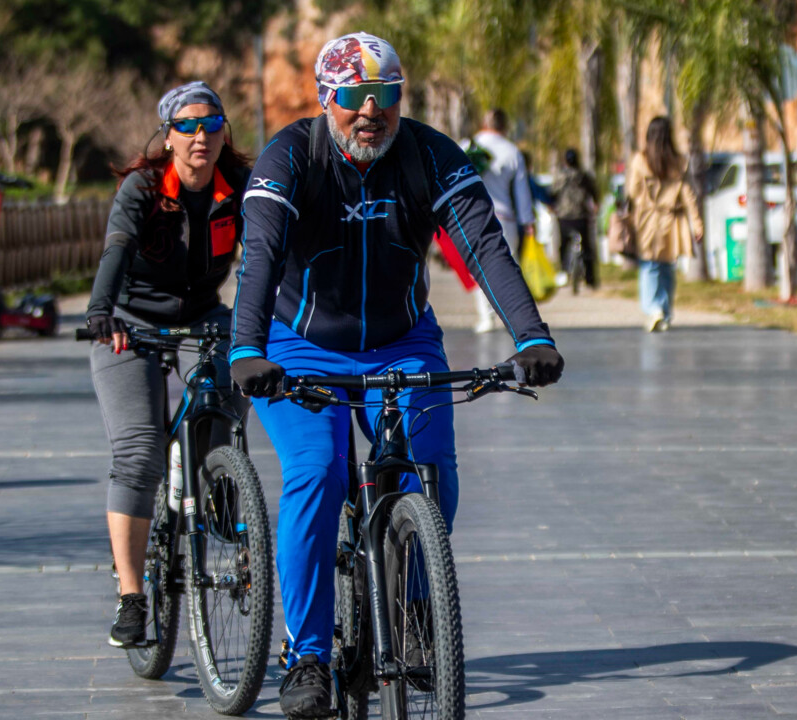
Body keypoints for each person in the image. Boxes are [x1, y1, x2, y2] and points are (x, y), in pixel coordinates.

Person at [226, 33, 564, 719]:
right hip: (299, 344)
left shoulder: (429, 154)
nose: (370, 111)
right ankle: (307, 655)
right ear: (326, 98)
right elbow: (260, 255)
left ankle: (412, 602)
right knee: (317, 470)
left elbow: (483, 242)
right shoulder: (289, 157)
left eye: (385, 96)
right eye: (354, 97)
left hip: (403, 340)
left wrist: (531, 335)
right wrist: (246, 350)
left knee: (432, 466)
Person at [84, 81, 252, 647]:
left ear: (224, 131)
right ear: (168, 136)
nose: (200, 135)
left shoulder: (241, 186)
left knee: (236, 379)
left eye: (211, 124)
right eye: (187, 125)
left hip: (203, 316)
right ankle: (132, 597)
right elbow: (116, 248)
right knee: (139, 454)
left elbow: (266, 254)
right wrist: (100, 310)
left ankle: (220, 481)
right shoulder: (144, 186)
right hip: (129, 324)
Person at [627, 116, 704, 332]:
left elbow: (633, 191)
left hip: (647, 220)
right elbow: (689, 196)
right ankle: (665, 311)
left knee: (650, 265)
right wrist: (697, 224)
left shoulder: (640, 160)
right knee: (667, 266)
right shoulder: (679, 162)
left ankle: (654, 309)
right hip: (673, 222)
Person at [471, 108, 536, 333]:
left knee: (479, 267)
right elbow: (522, 191)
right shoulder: (512, 151)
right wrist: (528, 221)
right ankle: (512, 317)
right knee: (508, 267)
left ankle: (486, 317)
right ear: (505, 126)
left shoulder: (469, 146)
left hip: (474, 215)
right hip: (505, 218)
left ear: (483, 123)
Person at [551, 148, 599, 289]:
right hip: (581, 215)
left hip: (564, 216)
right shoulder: (583, 176)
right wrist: (596, 204)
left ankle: (563, 271)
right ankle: (590, 278)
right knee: (587, 247)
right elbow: (593, 191)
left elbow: (552, 193)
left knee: (563, 246)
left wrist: (553, 205)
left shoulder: (560, 176)